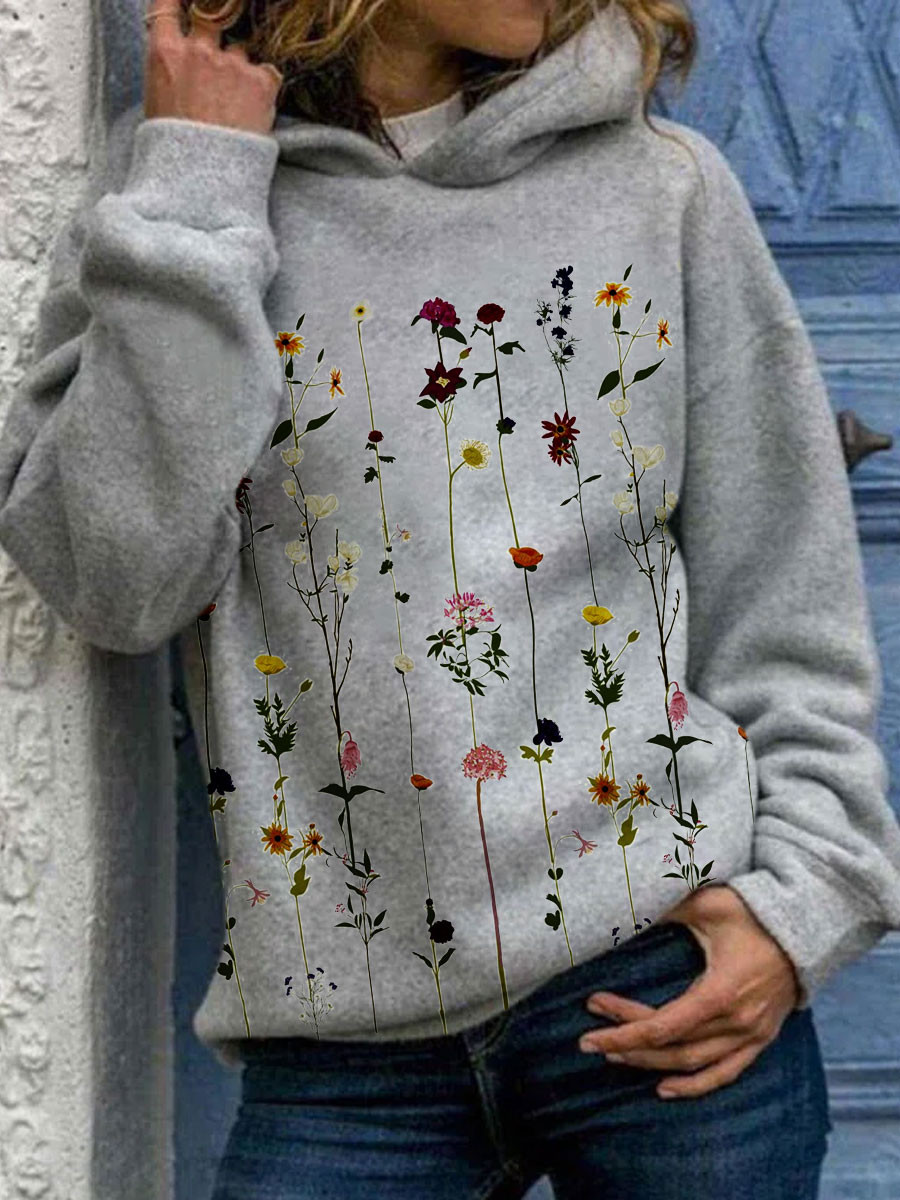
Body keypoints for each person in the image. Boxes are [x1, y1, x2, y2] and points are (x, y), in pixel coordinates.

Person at [1, 0, 899, 1195]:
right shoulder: (177, 182)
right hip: (341, 1045)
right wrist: (196, 186)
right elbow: (115, 582)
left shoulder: (661, 188)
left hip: (659, 981)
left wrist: (802, 905)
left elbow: (785, 590)